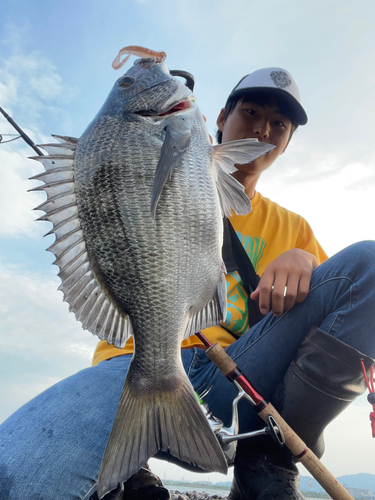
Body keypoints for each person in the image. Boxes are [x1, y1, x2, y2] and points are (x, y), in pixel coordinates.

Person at [0, 67, 374, 500]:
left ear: (287, 142)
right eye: (250, 111)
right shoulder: (164, 158)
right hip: (134, 361)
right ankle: (129, 465)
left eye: (280, 125)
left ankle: (272, 453)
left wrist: (306, 258)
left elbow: (348, 315)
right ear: (216, 117)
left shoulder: (293, 227)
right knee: (15, 477)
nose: (262, 128)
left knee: (367, 265)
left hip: (237, 379)